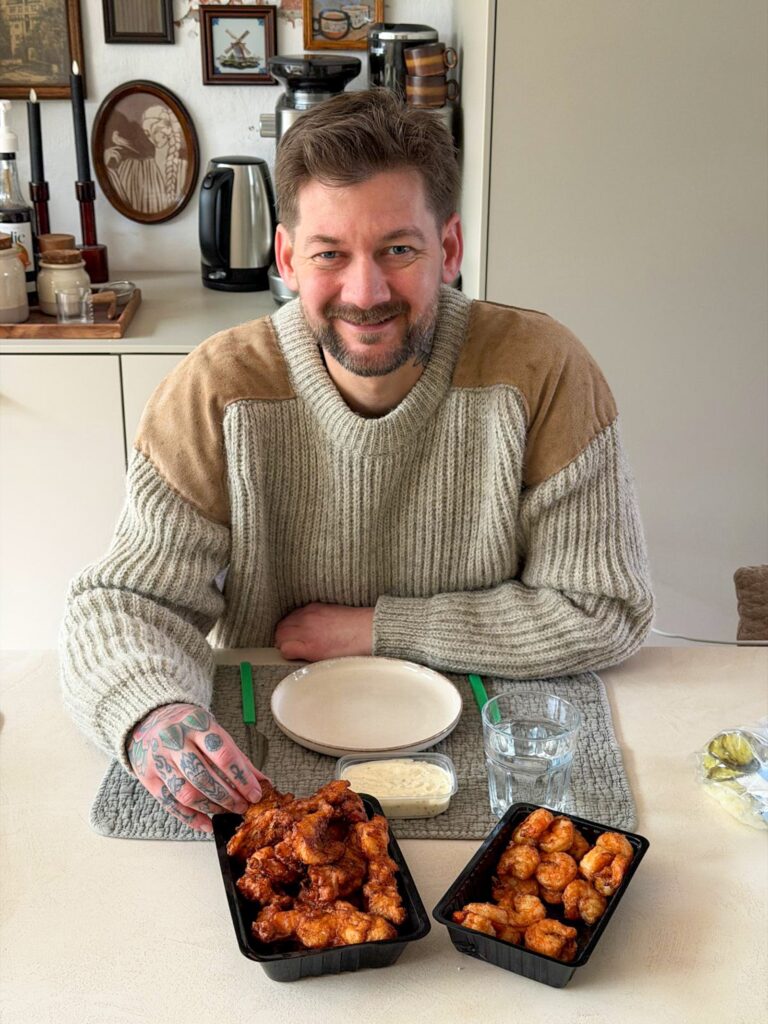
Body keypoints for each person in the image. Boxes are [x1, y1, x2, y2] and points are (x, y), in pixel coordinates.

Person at [60, 89, 653, 834]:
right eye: (329, 254)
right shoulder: (214, 390)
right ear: (285, 258)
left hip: (493, 760)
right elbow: (124, 603)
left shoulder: (543, 369)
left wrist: (376, 627)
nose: (365, 292)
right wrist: (151, 712)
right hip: (270, 762)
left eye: (399, 250)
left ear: (450, 249)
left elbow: (604, 608)